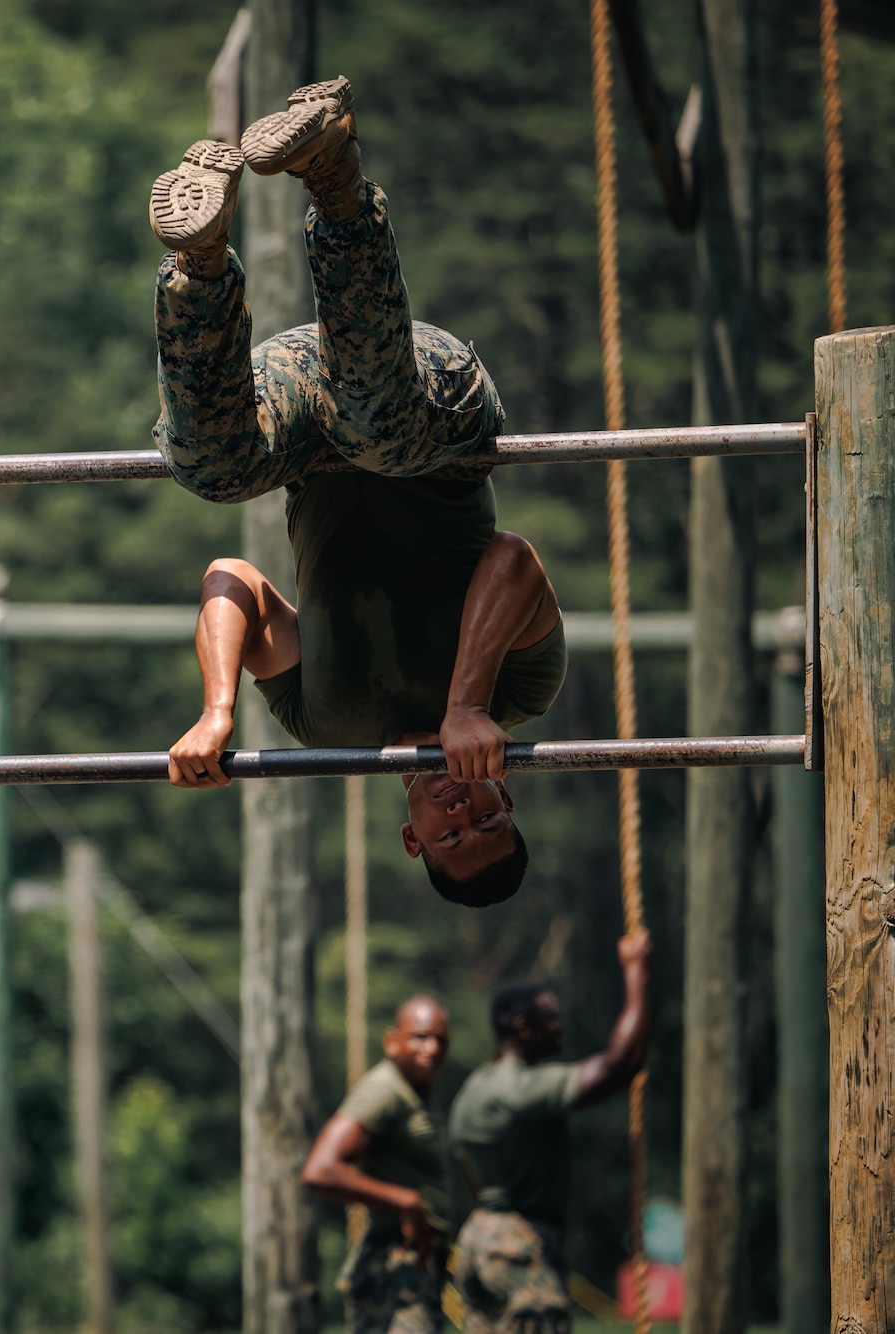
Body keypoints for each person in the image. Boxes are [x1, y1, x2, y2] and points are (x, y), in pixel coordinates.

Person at [150, 76, 565, 908]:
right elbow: (515, 561)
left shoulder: (324, 724)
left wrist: (217, 712)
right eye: (486, 820)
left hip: (317, 413)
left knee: (210, 468)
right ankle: (333, 174)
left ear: (412, 837)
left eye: (450, 835)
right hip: (433, 404)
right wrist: (466, 703)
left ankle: (198, 262)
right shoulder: (521, 695)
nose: (462, 810)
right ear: (506, 796)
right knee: (380, 429)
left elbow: (232, 580)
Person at [448, 931, 653, 1334]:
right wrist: (637, 974)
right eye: (551, 1018)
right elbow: (620, 1066)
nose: (560, 1027)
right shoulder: (519, 1089)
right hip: (518, 1244)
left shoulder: (475, 1088)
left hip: (479, 1237)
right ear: (524, 1027)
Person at [303, 996, 455, 1334]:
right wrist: (405, 1202)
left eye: (440, 1040)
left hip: (418, 1266)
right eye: (420, 1037)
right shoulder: (384, 1090)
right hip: (392, 1266)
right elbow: (320, 1170)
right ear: (392, 1042)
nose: (431, 1048)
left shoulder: (417, 1094)